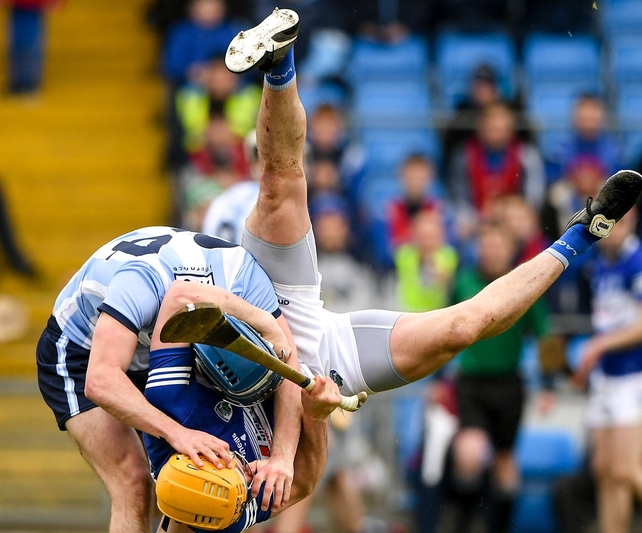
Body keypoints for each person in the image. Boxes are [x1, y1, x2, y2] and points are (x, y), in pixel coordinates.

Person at [224, 8, 642, 403]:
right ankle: (582, 235)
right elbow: (302, 473)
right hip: (321, 367)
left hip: (281, 307)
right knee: (464, 327)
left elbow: (184, 297)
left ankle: (280, 62)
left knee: (280, 184)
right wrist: (313, 418)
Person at [35, 226, 311, 533]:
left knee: (197, 478)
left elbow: (290, 369)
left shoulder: (245, 278)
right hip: (82, 355)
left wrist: (282, 458)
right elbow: (101, 380)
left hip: (162, 335)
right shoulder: (141, 283)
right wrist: (177, 433)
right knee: (134, 483)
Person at [143, 316, 342, 533]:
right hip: (307, 354)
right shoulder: (232, 511)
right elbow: (303, 484)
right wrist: (317, 417)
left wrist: (268, 321)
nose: (248, 476)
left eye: (232, 476)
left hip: (236, 316)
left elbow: (179, 300)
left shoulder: (170, 402)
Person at [448, 222, 554, 533]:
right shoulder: (464, 281)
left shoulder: (523, 285)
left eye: (498, 245)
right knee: (469, 454)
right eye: (486, 245)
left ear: (510, 250)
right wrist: (437, 378)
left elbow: (545, 336)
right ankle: (462, 525)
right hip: (471, 382)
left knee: (505, 466)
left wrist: (549, 385)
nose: (491, 251)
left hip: (509, 384)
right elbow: (442, 327)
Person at [573, 211, 642, 533]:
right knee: (604, 469)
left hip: (633, 375)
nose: (610, 233)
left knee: (628, 470)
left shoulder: (637, 261)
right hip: (606, 378)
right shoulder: (599, 263)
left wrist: (599, 345)